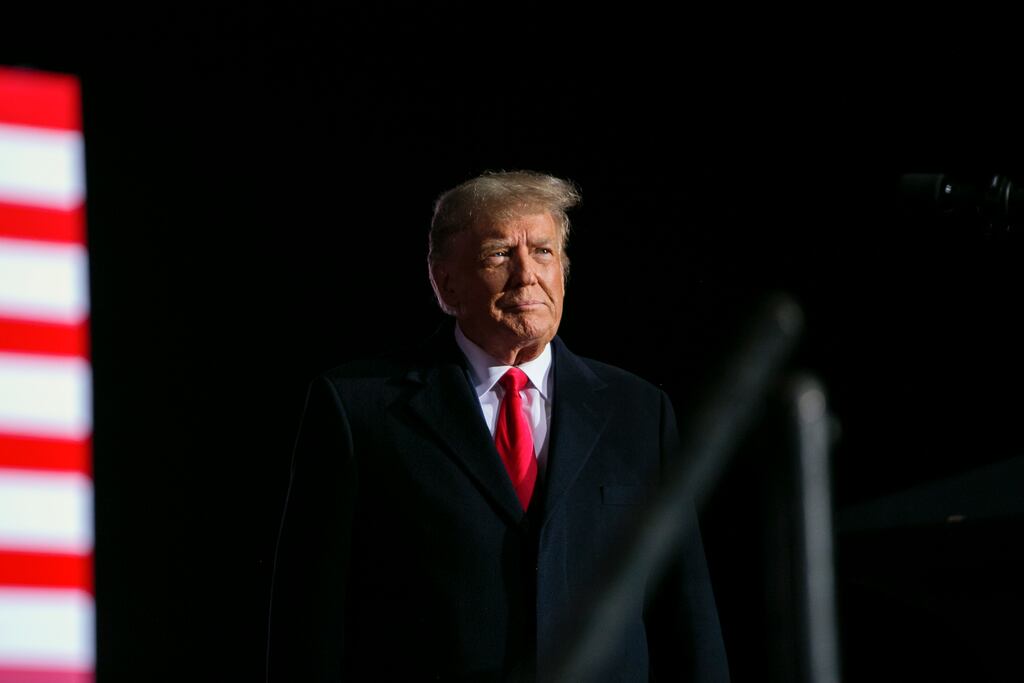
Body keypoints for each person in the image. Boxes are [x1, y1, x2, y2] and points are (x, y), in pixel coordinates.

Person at [267, 171, 729, 682]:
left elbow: (687, 614)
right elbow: (308, 625)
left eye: (544, 252)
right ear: (445, 281)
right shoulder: (359, 409)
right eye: (499, 254)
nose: (526, 275)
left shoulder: (639, 411)